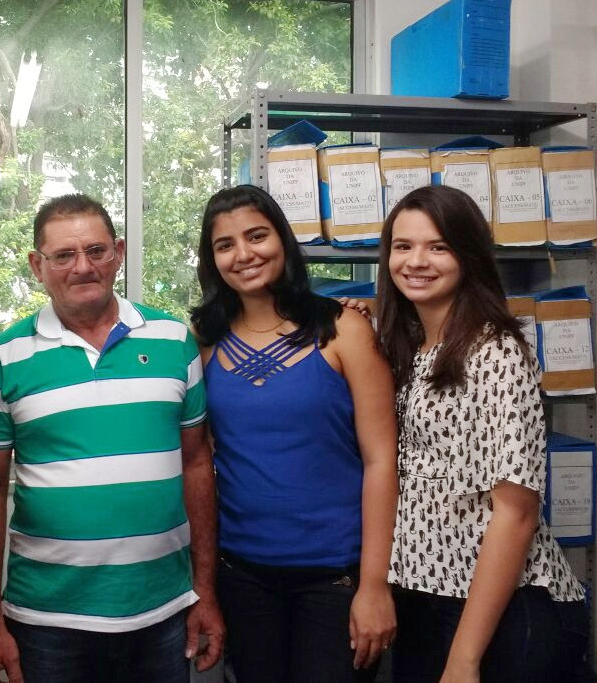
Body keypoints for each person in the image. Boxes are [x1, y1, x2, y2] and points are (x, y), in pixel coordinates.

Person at [0, 193, 224, 683]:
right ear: (37, 266)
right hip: (49, 620)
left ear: (119, 253)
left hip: (163, 610)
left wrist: (205, 592)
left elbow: (198, 466)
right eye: (64, 255)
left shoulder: (173, 341)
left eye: (97, 251)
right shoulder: (4, 357)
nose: (83, 267)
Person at [376, 185, 589, 683]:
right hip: (426, 595)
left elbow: (515, 512)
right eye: (403, 246)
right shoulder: (411, 346)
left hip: (501, 608)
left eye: (438, 246)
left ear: (468, 255)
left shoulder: (496, 351)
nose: (416, 261)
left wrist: (466, 655)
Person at [191, 184, 398, 682]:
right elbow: (201, 457)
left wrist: (374, 585)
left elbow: (382, 459)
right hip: (243, 575)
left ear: (282, 240)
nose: (244, 254)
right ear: (211, 258)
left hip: (337, 576)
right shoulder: (203, 340)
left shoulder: (344, 328)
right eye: (225, 245)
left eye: (257, 236)